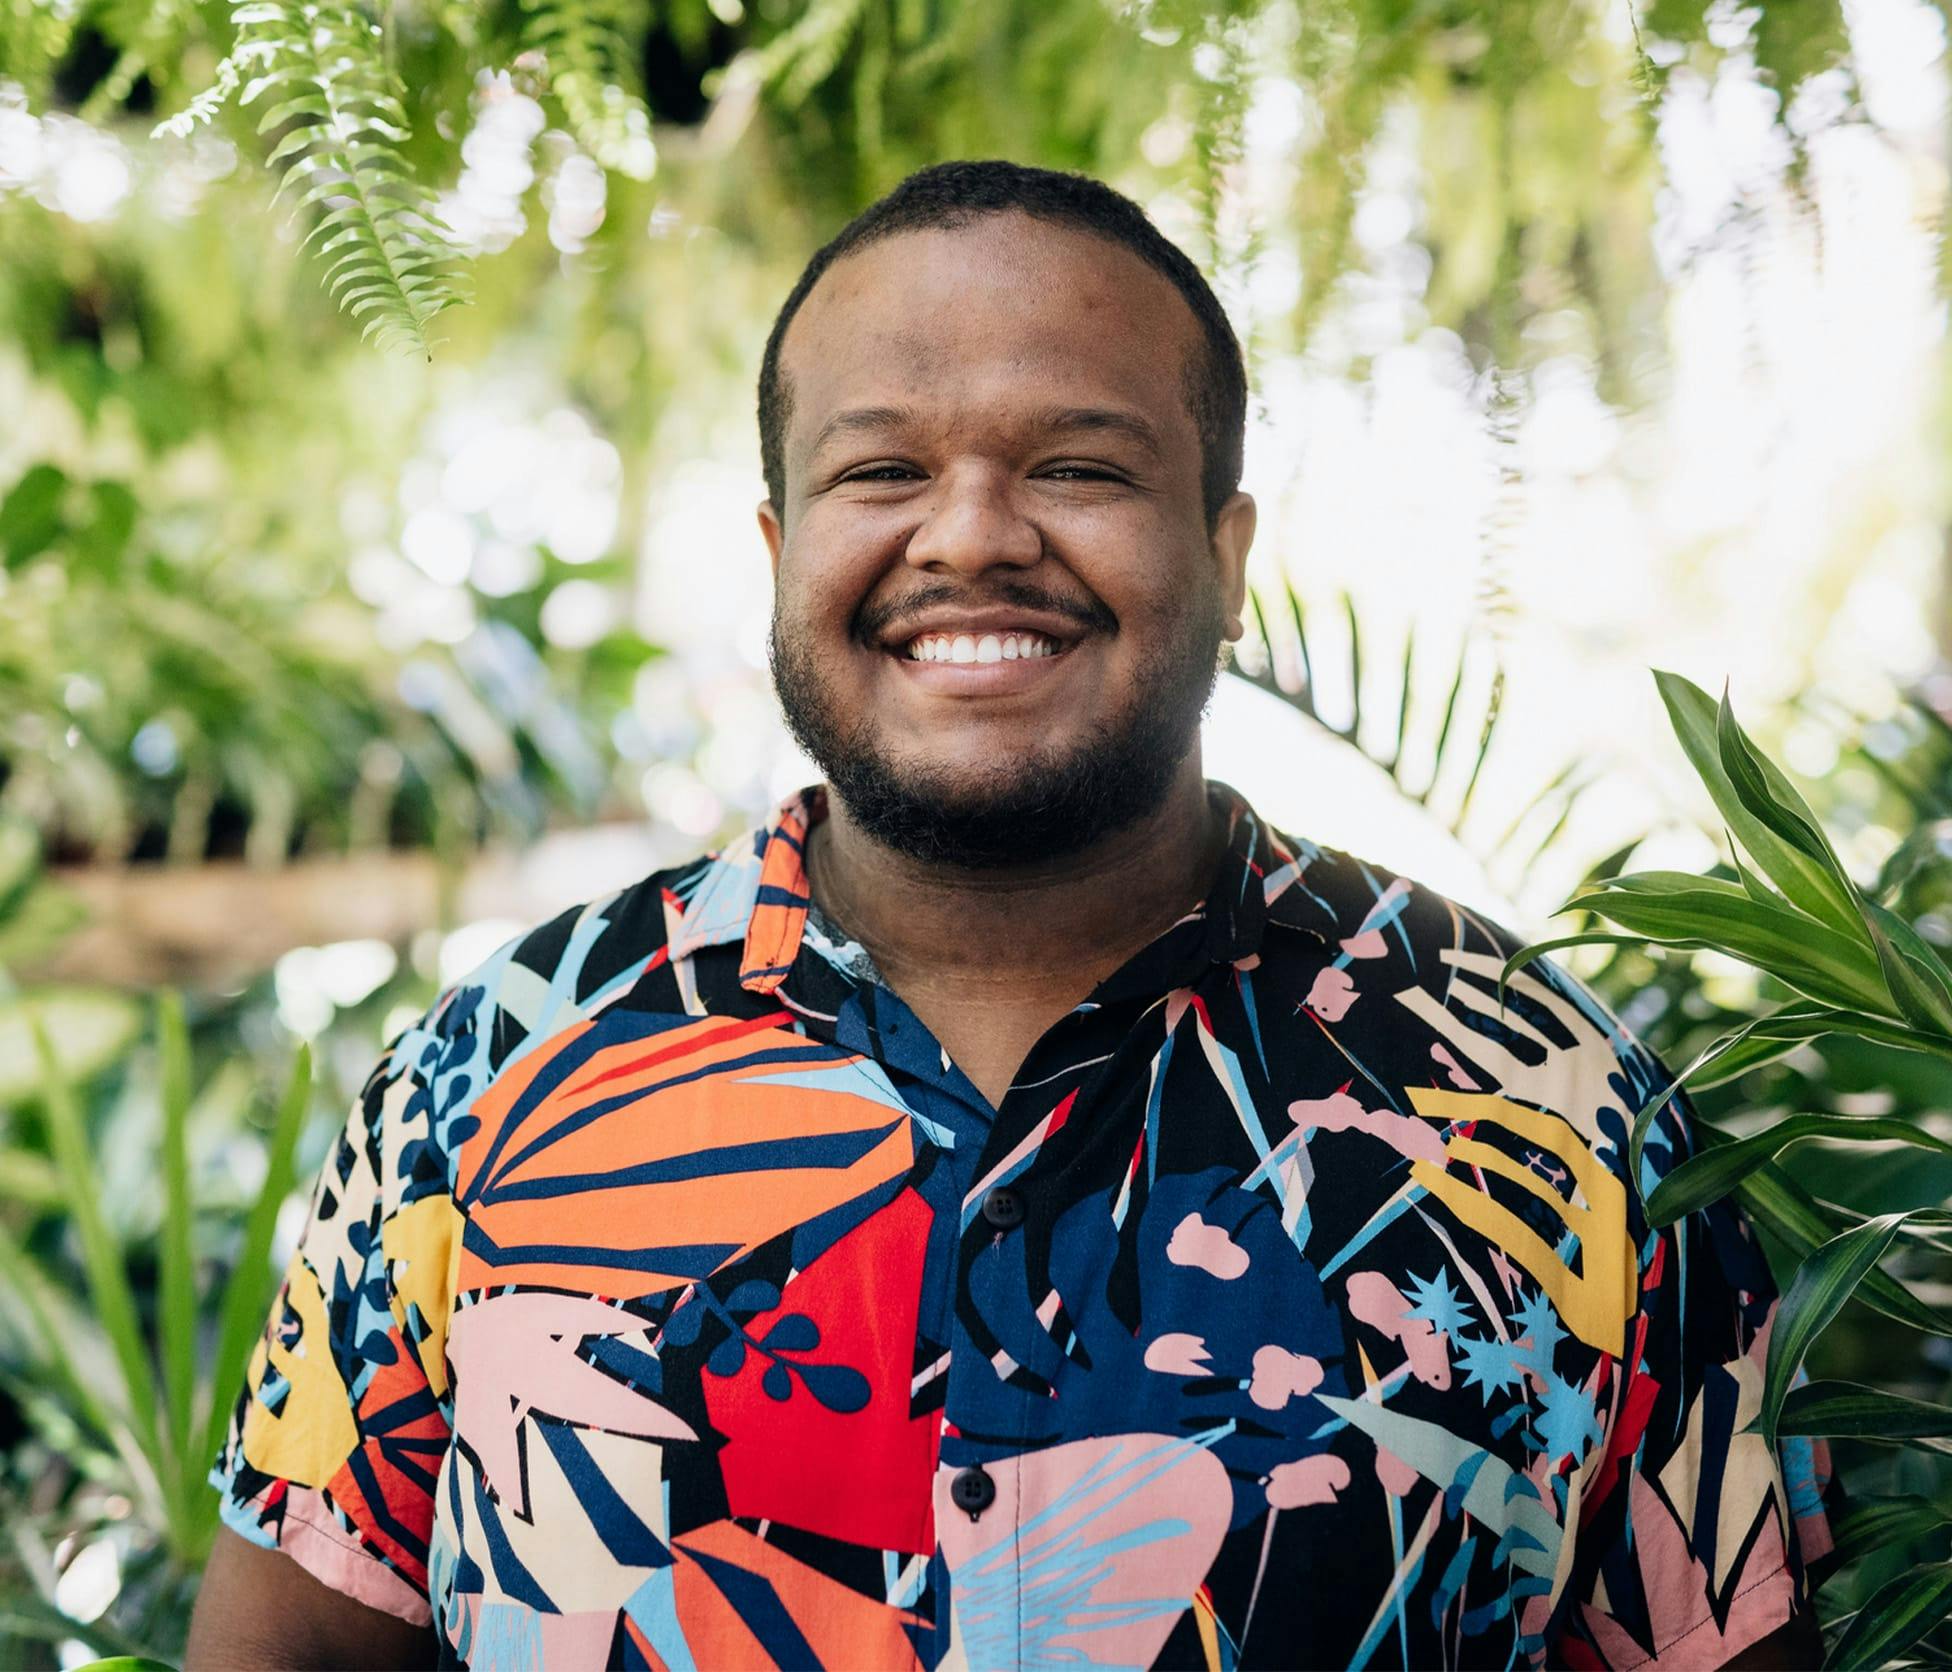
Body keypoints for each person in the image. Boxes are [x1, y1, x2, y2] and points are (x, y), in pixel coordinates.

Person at [186, 159, 1832, 1671]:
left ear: (1223, 546)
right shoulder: (491, 1085)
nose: (970, 534)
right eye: (882, 467)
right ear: (779, 548)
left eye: (1077, 464)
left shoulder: (1549, 1108)